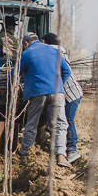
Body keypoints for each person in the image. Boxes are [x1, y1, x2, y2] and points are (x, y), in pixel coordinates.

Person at [17, 32, 72, 167]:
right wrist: (59, 85)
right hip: (57, 93)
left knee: (31, 124)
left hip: (37, 93)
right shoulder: (54, 51)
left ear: (26, 43)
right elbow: (67, 72)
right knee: (59, 124)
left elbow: (15, 74)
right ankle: (61, 156)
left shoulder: (26, 53)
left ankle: (26, 153)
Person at [43, 32, 83, 163]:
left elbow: (65, 74)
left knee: (68, 121)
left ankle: (72, 150)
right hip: (67, 93)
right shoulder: (59, 53)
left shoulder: (55, 54)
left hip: (71, 94)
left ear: (45, 42)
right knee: (64, 121)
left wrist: (57, 87)